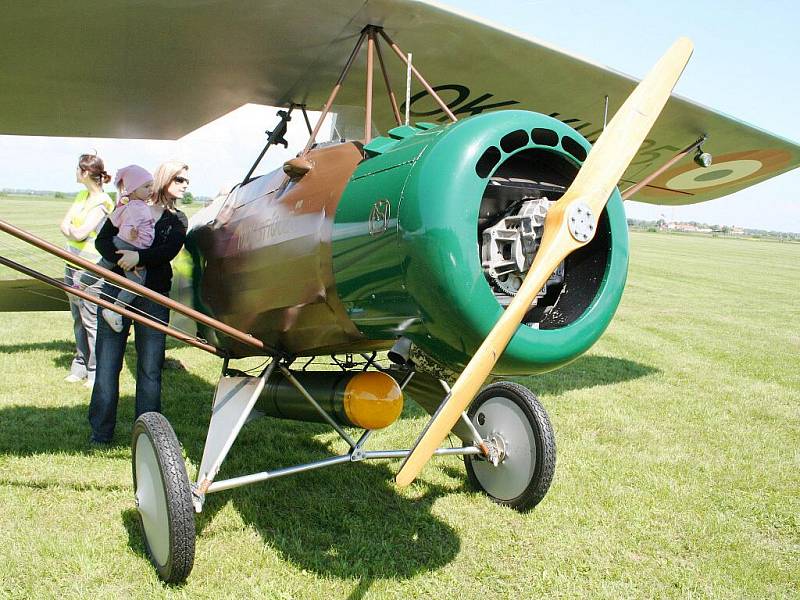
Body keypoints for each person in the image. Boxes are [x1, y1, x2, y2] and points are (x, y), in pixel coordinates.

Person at [88, 161, 189, 444]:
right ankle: (101, 433)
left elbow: (167, 251)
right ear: (163, 179)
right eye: (179, 179)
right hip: (113, 293)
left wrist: (139, 258)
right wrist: (123, 256)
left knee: (150, 369)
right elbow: (102, 241)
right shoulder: (126, 206)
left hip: (153, 298)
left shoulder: (178, 219)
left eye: (186, 180)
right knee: (108, 366)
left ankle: (147, 435)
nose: (185, 185)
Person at [59, 153, 114, 387]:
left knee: (91, 318)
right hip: (71, 262)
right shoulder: (82, 195)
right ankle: (80, 365)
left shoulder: (103, 201)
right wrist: (71, 230)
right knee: (77, 317)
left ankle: (94, 370)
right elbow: (63, 225)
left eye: (77, 169)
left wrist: (72, 229)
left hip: (90, 267)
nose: (75, 173)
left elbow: (80, 232)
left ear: (84, 172)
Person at [82, 165, 156, 333]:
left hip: (129, 246)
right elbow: (121, 225)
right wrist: (130, 234)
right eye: (146, 187)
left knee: (104, 265)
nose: (150, 190)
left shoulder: (135, 205)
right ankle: (115, 309)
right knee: (135, 282)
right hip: (127, 245)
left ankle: (81, 284)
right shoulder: (132, 207)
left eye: (151, 186)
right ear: (133, 189)